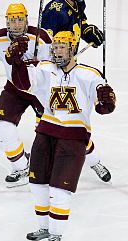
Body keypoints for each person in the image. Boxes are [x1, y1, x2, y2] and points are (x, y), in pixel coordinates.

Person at [9, 31, 116, 241]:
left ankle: (56, 232)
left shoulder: (89, 74)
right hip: (45, 132)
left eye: (62, 47)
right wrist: (17, 62)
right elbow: (23, 84)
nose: (56, 51)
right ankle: (44, 228)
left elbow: (102, 104)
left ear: (72, 48)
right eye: (55, 46)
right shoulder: (44, 69)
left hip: (74, 138)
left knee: (60, 188)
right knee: (37, 183)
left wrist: (106, 101)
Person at [0, 3, 52, 188]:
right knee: (4, 126)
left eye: (19, 19)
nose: (16, 24)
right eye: (12, 20)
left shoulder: (41, 37)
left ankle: (51, 162)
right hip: (15, 88)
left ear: (26, 19)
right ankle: (21, 166)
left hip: (41, 90)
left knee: (46, 132)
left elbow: (56, 67)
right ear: (7, 21)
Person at [41, 0, 111, 182]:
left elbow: (79, 25)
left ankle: (93, 160)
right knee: (48, 123)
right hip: (53, 73)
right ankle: (42, 165)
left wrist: (88, 32)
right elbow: (43, 43)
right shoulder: (55, 10)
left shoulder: (77, 3)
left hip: (69, 70)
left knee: (73, 123)